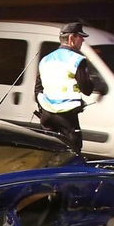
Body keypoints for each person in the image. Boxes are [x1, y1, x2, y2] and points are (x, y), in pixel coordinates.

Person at [36, 21, 101, 155]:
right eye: (80, 37)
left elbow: (37, 89)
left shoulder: (45, 59)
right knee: (73, 150)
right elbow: (87, 89)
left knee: (48, 150)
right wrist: (91, 80)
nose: (82, 40)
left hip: (46, 115)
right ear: (72, 38)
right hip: (66, 116)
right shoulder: (76, 59)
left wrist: (43, 106)